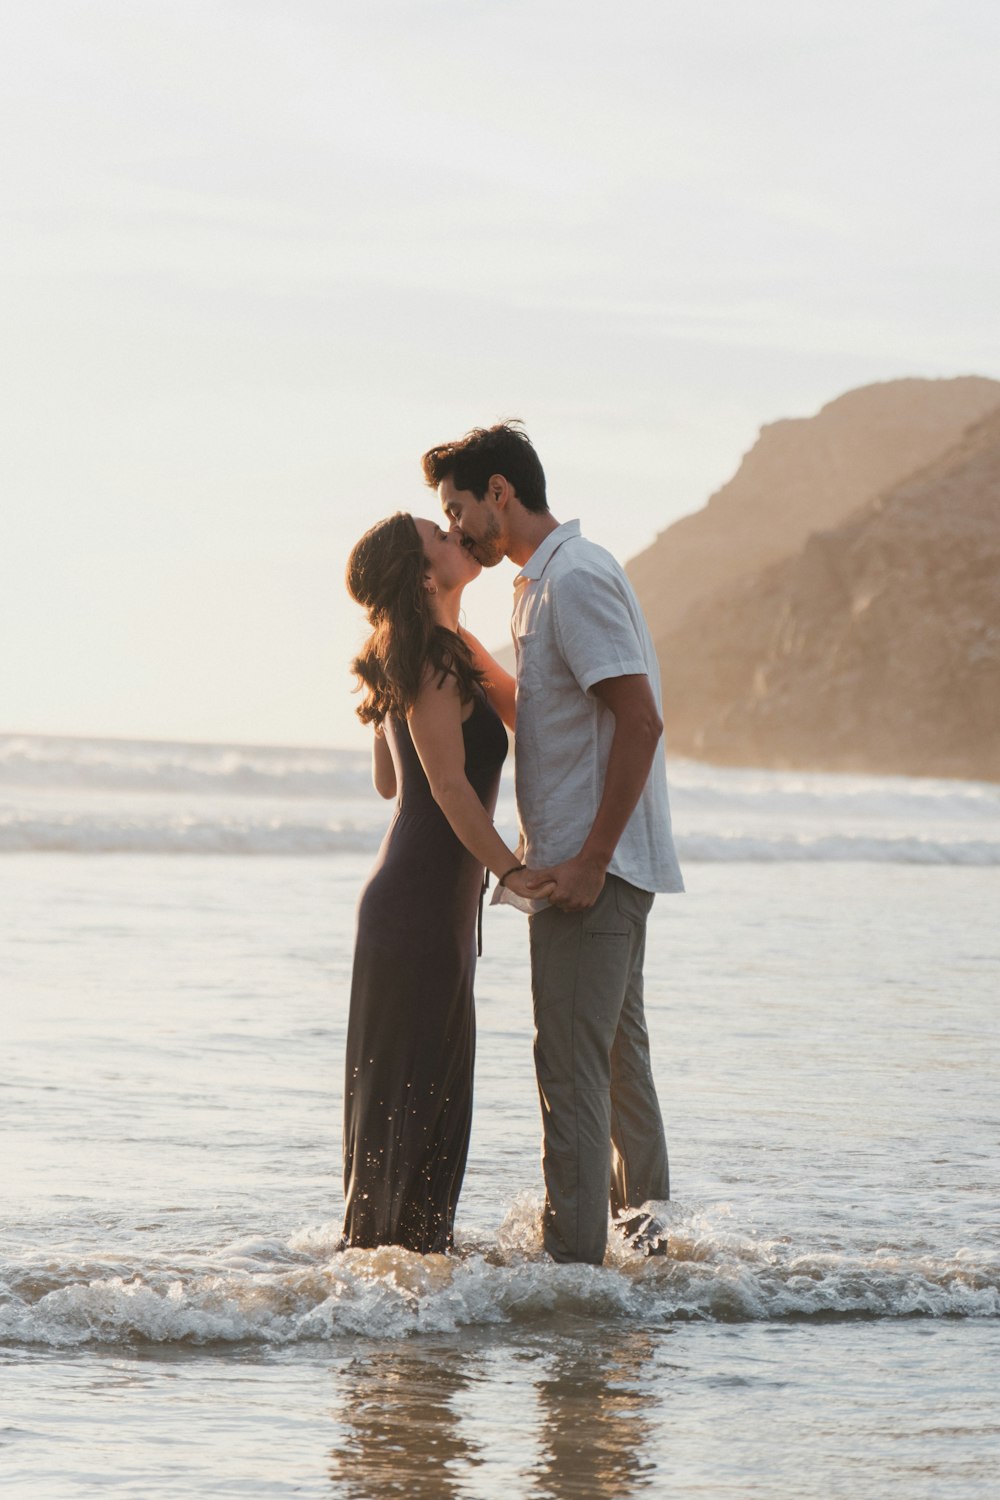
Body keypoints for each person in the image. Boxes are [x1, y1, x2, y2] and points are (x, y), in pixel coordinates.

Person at [422, 422, 685, 1266]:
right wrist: (451, 632)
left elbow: (641, 720)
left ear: (500, 492)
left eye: (459, 508)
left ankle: (573, 1276)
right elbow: (539, 714)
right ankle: (645, 1256)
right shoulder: (539, 585)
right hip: (593, 866)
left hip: (588, 873)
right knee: (615, 1068)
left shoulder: (574, 578)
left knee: (570, 1074)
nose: (457, 529)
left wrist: (590, 861)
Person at [341, 511, 548, 1254]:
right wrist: (516, 870)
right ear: (425, 572)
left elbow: (387, 777)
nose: (456, 535)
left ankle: (403, 1293)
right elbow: (451, 791)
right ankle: (389, 1284)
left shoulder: (436, 650)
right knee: (414, 1101)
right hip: (423, 907)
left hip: (421, 903)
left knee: (419, 1102)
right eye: (439, 533)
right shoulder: (429, 655)